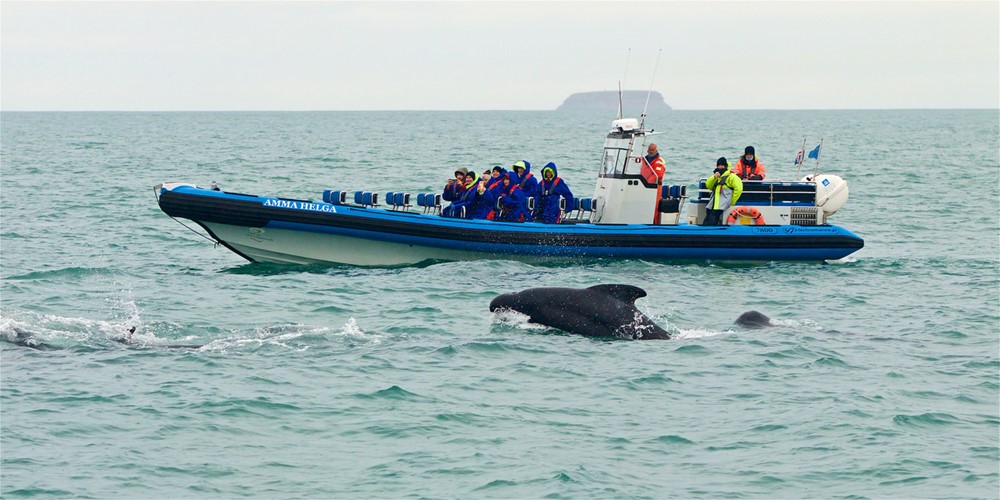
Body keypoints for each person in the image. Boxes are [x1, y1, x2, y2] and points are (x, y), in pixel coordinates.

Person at [703, 157, 743, 226]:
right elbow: (708, 185)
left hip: (723, 203)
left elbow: (738, 189)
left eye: (722, 165)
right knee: (708, 214)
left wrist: (732, 201)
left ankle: (711, 232)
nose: (720, 167)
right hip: (714, 202)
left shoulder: (732, 177)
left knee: (713, 216)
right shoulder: (715, 176)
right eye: (719, 165)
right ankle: (705, 231)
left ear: (725, 166)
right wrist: (714, 178)